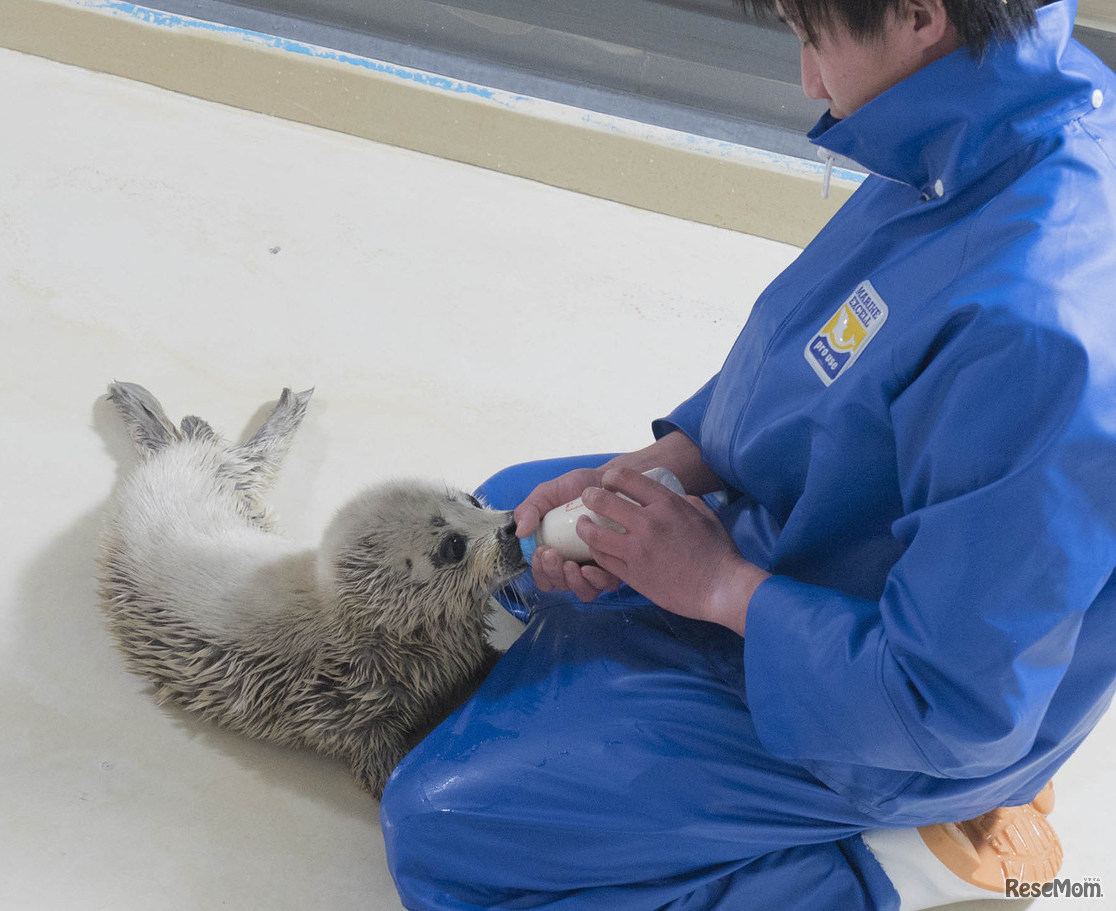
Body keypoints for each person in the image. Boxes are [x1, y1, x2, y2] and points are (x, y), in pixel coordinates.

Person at [380, 0, 1116, 907]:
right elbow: (828, 357)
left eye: (812, 38)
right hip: (830, 550)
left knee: (445, 829)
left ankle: (881, 868)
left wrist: (720, 586)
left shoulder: (1037, 329)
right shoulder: (977, 123)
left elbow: (952, 703)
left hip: (896, 721)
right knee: (508, 521)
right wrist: (677, 466)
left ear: (923, 14)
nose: (805, 78)